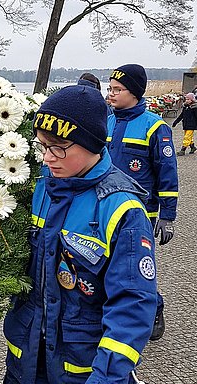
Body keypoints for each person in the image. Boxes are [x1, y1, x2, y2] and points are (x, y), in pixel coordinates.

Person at [0, 85, 157, 383]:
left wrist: (106, 378)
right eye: (42, 146)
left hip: (80, 370)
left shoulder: (121, 210)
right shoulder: (39, 185)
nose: (47, 158)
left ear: (91, 143)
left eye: (58, 147)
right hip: (25, 359)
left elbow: (132, 306)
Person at [106, 64, 178, 341]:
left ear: (134, 92)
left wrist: (168, 215)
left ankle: (154, 307)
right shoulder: (107, 122)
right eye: (109, 88)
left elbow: (167, 174)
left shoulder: (155, 127)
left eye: (117, 89)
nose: (110, 94)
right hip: (105, 209)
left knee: (136, 266)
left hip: (139, 213)